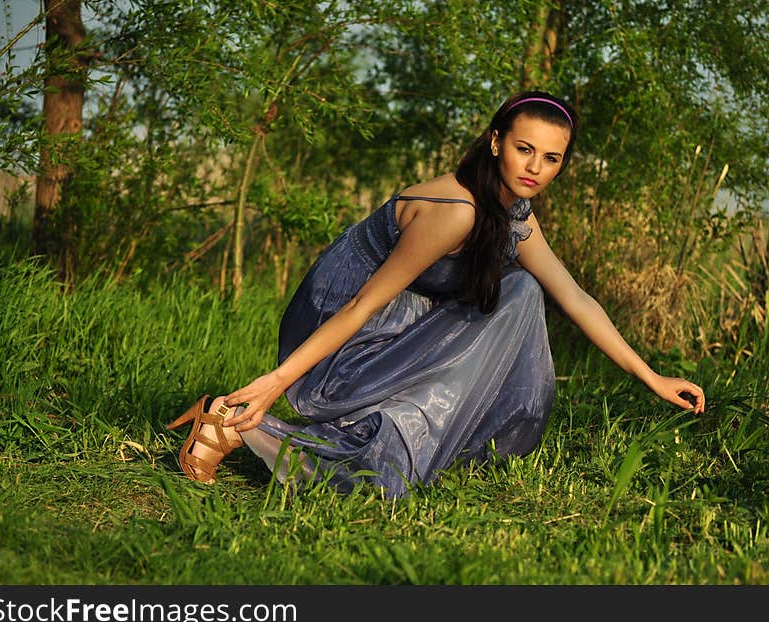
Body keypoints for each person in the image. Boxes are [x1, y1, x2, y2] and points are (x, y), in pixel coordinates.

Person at [166, 90, 706, 497]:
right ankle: (226, 420)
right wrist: (277, 382)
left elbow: (577, 298)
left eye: (551, 158)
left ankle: (405, 433)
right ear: (496, 142)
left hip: (395, 320)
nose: (535, 169)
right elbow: (362, 304)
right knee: (384, 467)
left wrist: (652, 376)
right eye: (524, 150)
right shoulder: (457, 213)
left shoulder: (512, 214)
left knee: (522, 289)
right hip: (345, 322)